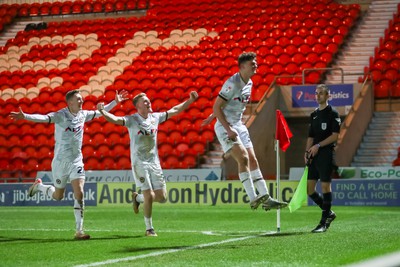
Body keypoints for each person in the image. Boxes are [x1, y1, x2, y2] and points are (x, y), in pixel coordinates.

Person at [10, 89, 128, 240]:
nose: (82, 101)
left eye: (81, 99)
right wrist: (24, 116)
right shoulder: (61, 115)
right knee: (58, 196)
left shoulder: (83, 114)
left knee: (79, 191)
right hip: (60, 162)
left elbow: (100, 112)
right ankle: (39, 186)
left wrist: (115, 102)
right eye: (78, 99)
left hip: (76, 161)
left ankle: (79, 231)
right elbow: (44, 118)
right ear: (70, 102)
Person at [97, 91, 198, 237]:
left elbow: (175, 110)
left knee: (162, 197)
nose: (148, 102)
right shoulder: (132, 120)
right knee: (149, 195)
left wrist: (190, 100)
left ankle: (138, 198)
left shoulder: (155, 117)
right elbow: (115, 120)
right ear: (137, 106)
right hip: (139, 162)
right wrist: (102, 111)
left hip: (154, 162)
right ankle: (149, 228)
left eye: (148, 100)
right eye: (145, 101)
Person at [206, 51, 287, 211]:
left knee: (253, 159)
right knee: (242, 159)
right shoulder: (232, 83)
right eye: (252, 63)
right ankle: (252, 197)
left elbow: (227, 104)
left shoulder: (249, 83)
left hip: (239, 124)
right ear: (242, 66)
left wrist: (215, 115)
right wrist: (228, 129)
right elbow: (217, 106)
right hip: (225, 126)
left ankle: (267, 198)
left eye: (255, 62)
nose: (256, 65)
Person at [305, 84, 340, 233]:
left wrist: (318, 146)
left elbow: (335, 136)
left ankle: (323, 222)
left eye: (321, 93)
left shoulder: (333, 113)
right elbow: (310, 136)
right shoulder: (313, 114)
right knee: (309, 189)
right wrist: (307, 152)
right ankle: (329, 213)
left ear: (327, 96)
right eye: (316, 93)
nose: (318, 96)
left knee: (325, 187)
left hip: (326, 154)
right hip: (314, 155)